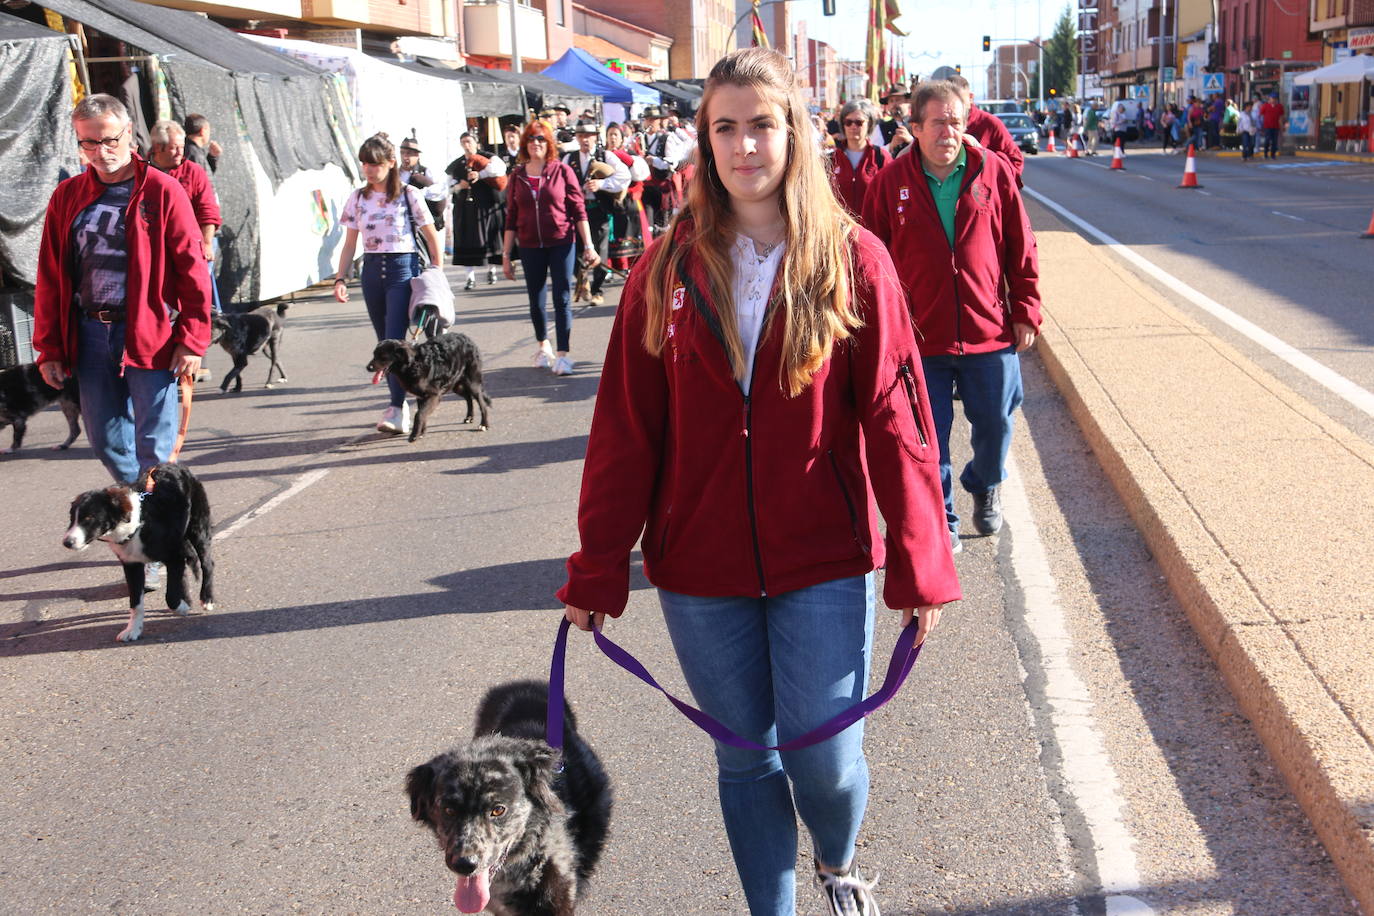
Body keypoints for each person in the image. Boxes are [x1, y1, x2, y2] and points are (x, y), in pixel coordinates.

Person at [558, 47, 959, 916]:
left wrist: (920, 560)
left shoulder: (854, 261)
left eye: (763, 126)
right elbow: (625, 433)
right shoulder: (662, 269)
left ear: (796, 133)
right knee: (744, 756)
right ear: (705, 141)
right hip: (699, 572)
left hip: (820, 556)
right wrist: (596, 567)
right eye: (725, 128)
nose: (745, 147)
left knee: (823, 755)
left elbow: (898, 419)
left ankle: (840, 861)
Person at [863, 80, 1042, 555]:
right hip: (920, 338)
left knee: (996, 423)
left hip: (988, 331)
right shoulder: (889, 183)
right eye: (938, 122)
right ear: (915, 127)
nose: (949, 132)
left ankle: (985, 482)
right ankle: (941, 516)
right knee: (929, 436)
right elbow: (870, 262)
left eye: (957, 122)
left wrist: (1026, 309)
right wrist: (877, 327)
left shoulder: (993, 173)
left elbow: (1021, 247)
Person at [33, 94, 212, 488]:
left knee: (155, 446)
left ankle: (157, 535)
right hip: (91, 335)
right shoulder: (67, 196)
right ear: (78, 142)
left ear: (129, 134)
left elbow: (192, 270)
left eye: (110, 140)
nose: (101, 151)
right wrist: (50, 348)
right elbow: (50, 275)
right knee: (106, 441)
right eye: (89, 143)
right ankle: (150, 509)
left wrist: (194, 340)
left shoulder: (162, 191)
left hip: (150, 332)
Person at [331, 133, 442, 436]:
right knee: (383, 341)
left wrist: (437, 270)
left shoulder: (409, 194)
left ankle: (397, 407)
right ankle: (401, 402)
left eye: (375, 163)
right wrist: (341, 278)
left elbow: (431, 234)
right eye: (364, 163)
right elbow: (349, 243)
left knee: (394, 340)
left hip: (401, 269)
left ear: (391, 163)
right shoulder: (357, 197)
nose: (368, 169)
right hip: (371, 270)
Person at [501, 120, 599, 377]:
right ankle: (543, 345)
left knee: (562, 297)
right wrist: (506, 255)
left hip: (562, 241)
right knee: (536, 298)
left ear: (549, 143)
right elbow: (511, 217)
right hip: (530, 244)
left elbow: (579, 211)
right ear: (525, 144)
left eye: (541, 139)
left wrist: (588, 246)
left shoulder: (562, 171)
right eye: (532, 139)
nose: (536, 144)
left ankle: (564, 354)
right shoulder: (518, 175)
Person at [148, 120, 222, 315]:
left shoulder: (193, 171)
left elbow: (207, 209)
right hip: (155, 244)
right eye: (174, 148)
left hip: (191, 242)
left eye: (182, 146)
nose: (181, 152)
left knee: (193, 293)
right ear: (157, 147)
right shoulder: (140, 170)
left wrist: (206, 243)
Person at [561, 121, 631, 305]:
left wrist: (601, 184)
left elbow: (625, 176)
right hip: (575, 210)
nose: (585, 140)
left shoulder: (605, 156)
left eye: (589, 136)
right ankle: (582, 279)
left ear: (595, 138)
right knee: (573, 247)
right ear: (577, 138)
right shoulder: (569, 159)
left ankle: (597, 289)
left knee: (600, 249)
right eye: (582, 136)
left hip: (598, 208)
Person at [445, 132, 508, 289]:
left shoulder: (488, 157)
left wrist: (479, 174)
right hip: (466, 209)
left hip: (487, 206)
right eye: (463, 142)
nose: (466, 145)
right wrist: (460, 186)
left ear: (476, 143)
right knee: (467, 242)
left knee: (490, 239)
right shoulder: (457, 164)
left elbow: (500, 169)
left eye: (469, 141)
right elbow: (447, 187)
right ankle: (470, 277)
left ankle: (492, 271)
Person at [947, 75, 1024, 186]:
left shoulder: (990, 124)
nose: (956, 109)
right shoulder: (937, 127)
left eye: (960, 102)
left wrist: (991, 183)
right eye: (950, 103)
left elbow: (1015, 161)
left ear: (971, 98)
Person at [828, 99, 888, 225]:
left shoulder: (880, 157)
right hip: (839, 234)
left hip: (873, 233)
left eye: (859, 122)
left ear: (869, 124)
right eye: (848, 122)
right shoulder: (831, 159)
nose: (853, 126)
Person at [603, 122, 651, 272]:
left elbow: (642, 175)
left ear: (622, 138)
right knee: (612, 234)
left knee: (635, 233)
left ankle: (636, 264)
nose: (612, 138)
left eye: (615, 134)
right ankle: (613, 267)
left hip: (631, 201)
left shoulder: (631, 154)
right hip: (610, 202)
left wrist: (627, 159)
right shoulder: (601, 155)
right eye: (609, 134)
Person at [398, 137, 448, 231]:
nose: (405, 157)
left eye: (408, 153)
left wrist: (418, 192)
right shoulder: (395, 174)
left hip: (425, 225)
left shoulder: (426, 172)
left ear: (417, 155)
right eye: (402, 152)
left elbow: (441, 191)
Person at [182, 113, 220, 177]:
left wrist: (212, 157)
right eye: (208, 130)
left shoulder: (187, 148)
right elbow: (202, 181)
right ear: (202, 131)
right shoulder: (194, 154)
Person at [1260, 93, 1284, 159]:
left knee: (1274, 141)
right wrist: (1261, 126)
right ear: (1269, 99)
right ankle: (1265, 154)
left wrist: (1282, 126)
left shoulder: (1279, 106)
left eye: (1275, 99)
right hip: (1267, 126)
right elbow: (1261, 115)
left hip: (1276, 127)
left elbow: (1281, 117)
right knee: (1267, 141)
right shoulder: (1265, 106)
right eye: (1272, 98)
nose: (1274, 100)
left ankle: (1273, 154)